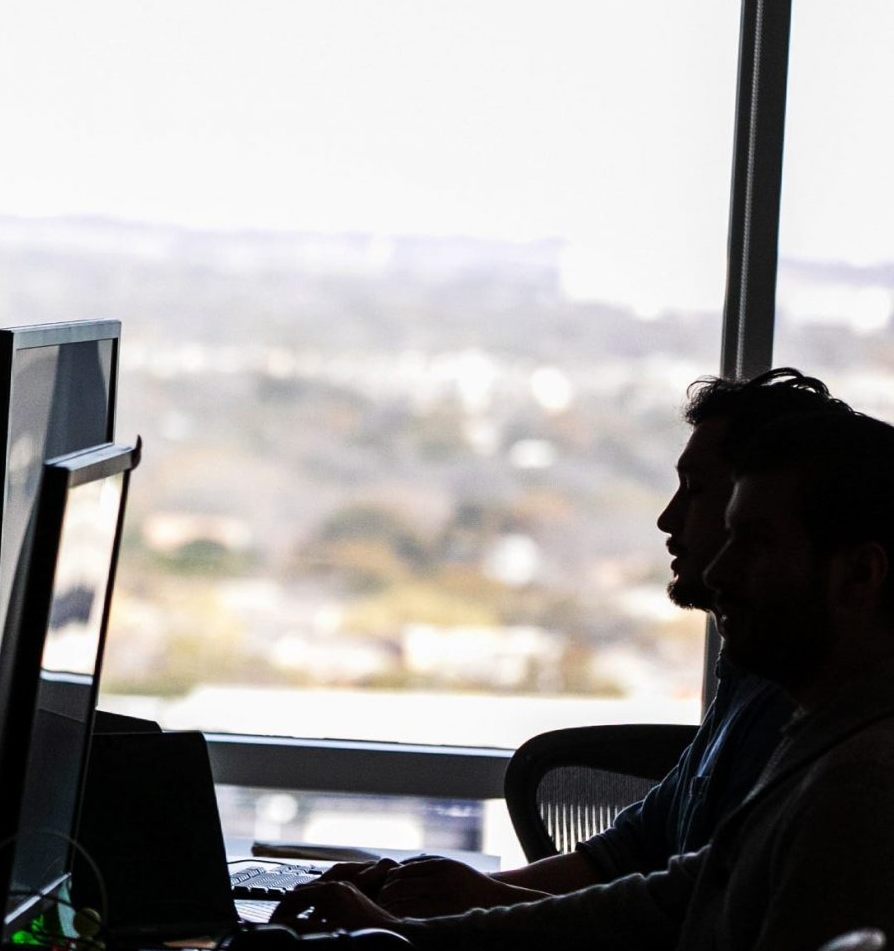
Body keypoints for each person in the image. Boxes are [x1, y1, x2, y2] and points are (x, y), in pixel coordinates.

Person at [287, 409, 894, 951]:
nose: (719, 572)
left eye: (756, 543)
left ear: (859, 577)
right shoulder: (820, 735)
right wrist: (412, 941)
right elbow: (664, 902)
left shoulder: (861, 786)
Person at [316, 368, 843, 916]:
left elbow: (676, 932)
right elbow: (629, 856)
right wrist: (429, 897)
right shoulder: (751, 674)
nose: (668, 518)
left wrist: (454, 913)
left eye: (698, 490)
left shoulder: (807, 720)